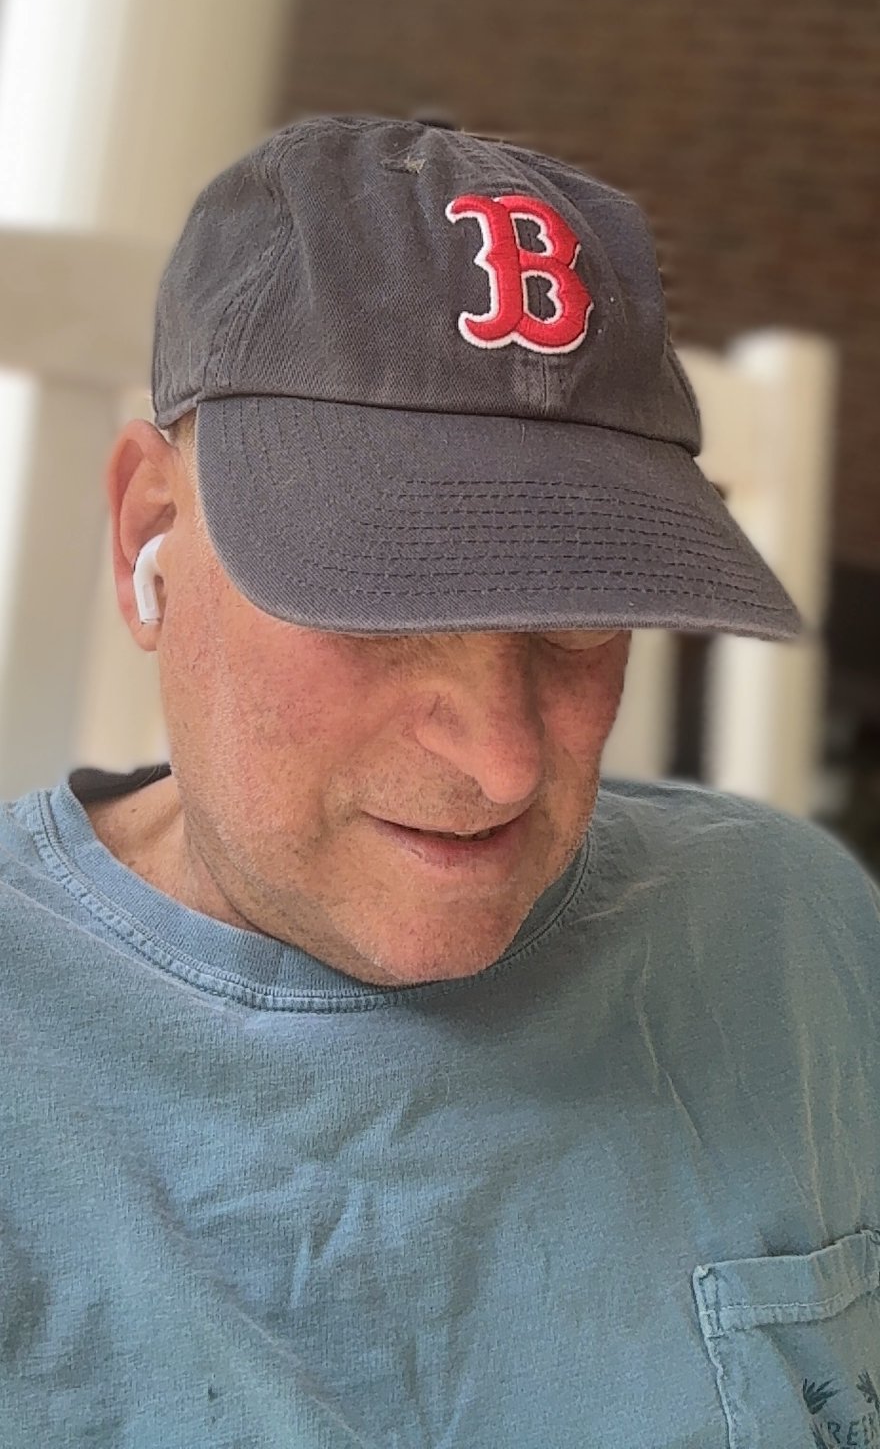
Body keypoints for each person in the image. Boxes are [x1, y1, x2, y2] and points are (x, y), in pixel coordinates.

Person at [1, 114, 878, 1449]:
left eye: (578, 618)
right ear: (149, 534)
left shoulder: (793, 934)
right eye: (381, 605)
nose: (505, 762)